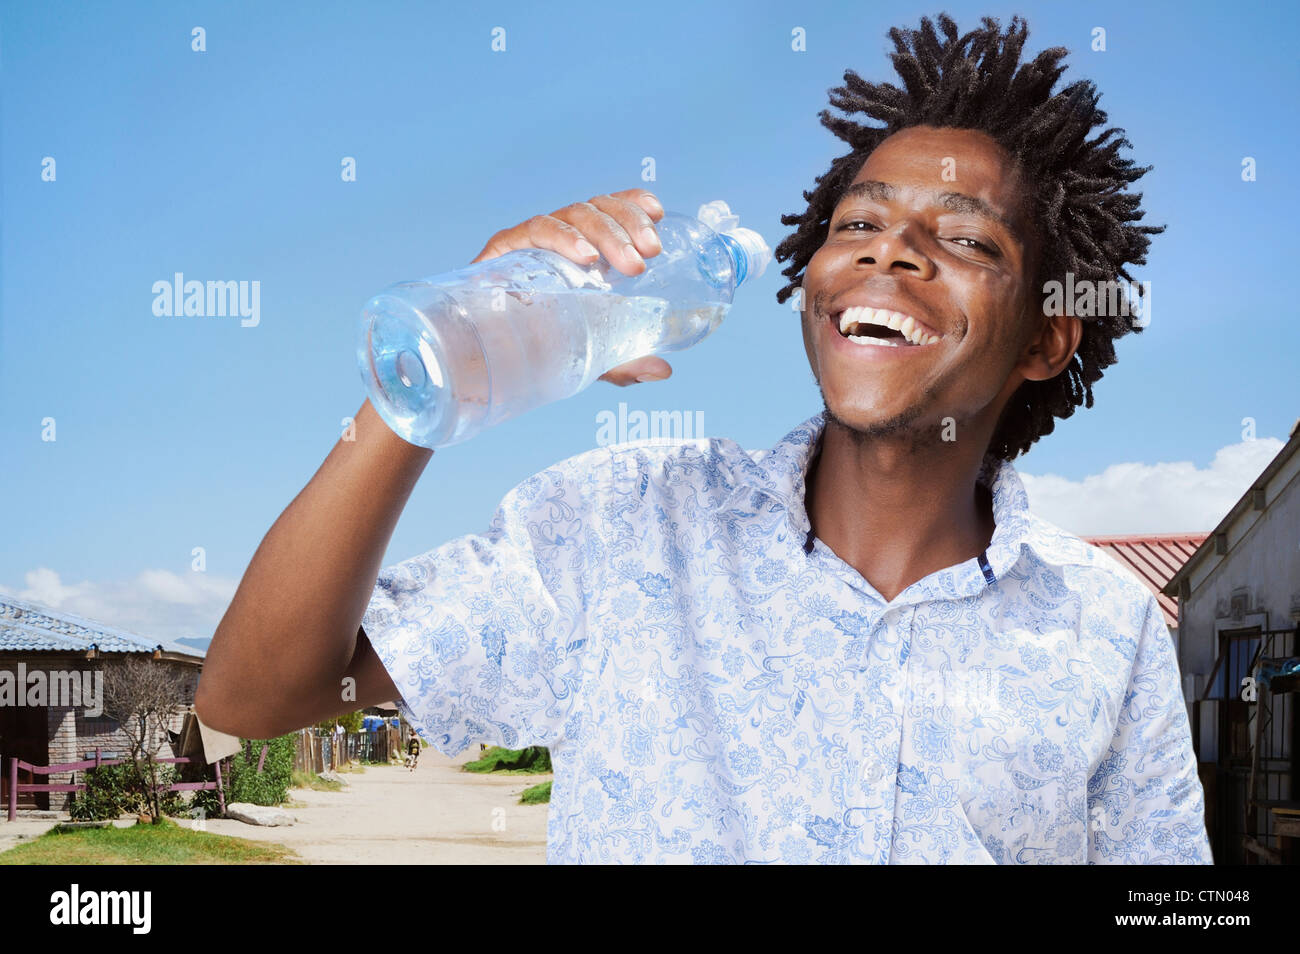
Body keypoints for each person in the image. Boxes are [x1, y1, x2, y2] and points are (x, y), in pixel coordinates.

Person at [196, 13, 1212, 864]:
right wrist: (439, 368)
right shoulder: (626, 526)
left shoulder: (1104, 629)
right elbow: (257, 691)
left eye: (962, 239)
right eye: (856, 225)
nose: (889, 253)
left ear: (1045, 338)